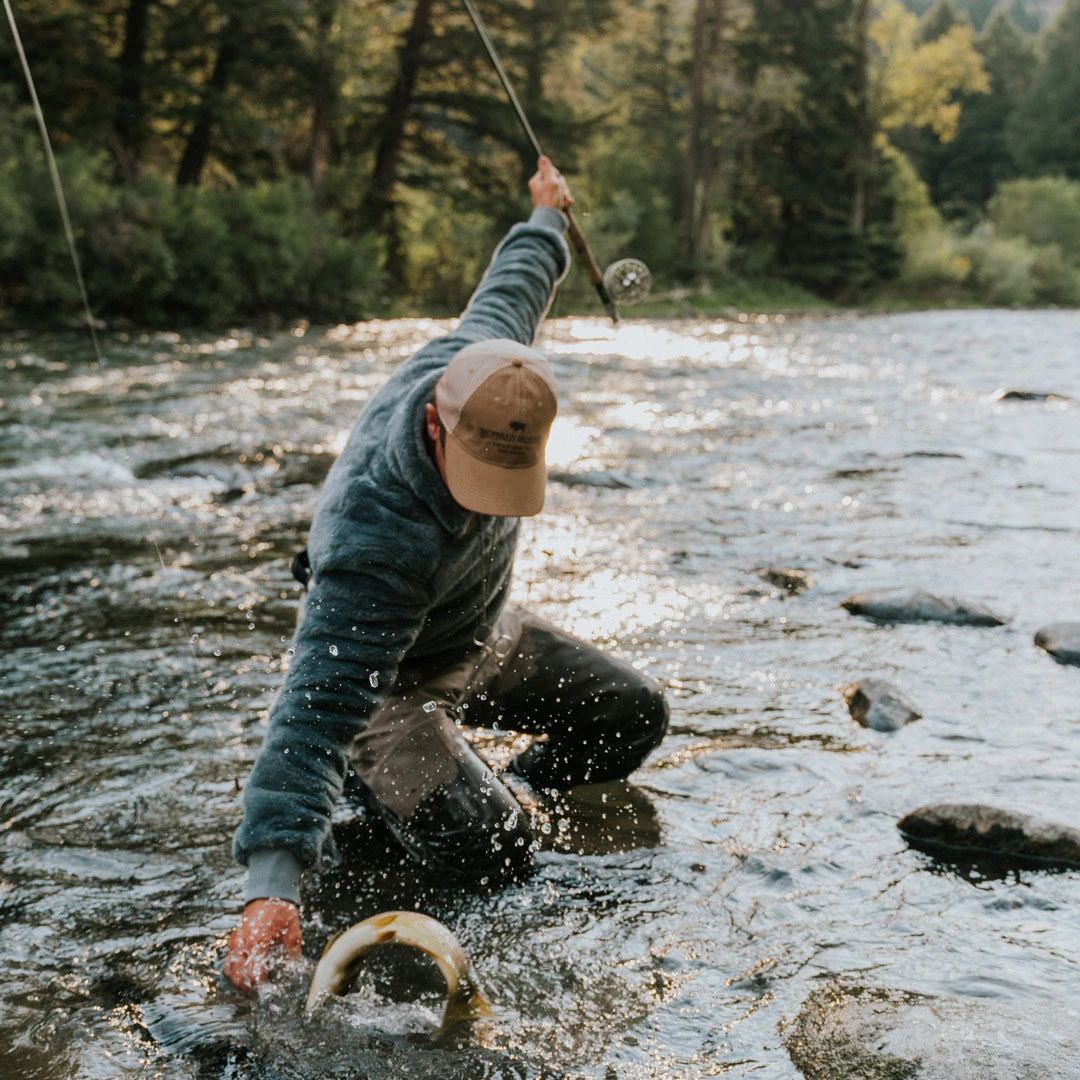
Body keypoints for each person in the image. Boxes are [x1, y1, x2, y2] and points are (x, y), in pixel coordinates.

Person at [224, 157, 669, 992]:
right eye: (473, 478)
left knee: (631, 716)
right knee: (500, 856)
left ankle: (471, 796)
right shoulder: (376, 537)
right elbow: (314, 708)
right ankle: (392, 807)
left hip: (476, 630)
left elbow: (518, 280)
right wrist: (270, 890)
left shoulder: (489, 359)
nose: (483, 506)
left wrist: (545, 216)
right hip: (388, 686)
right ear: (435, 420)